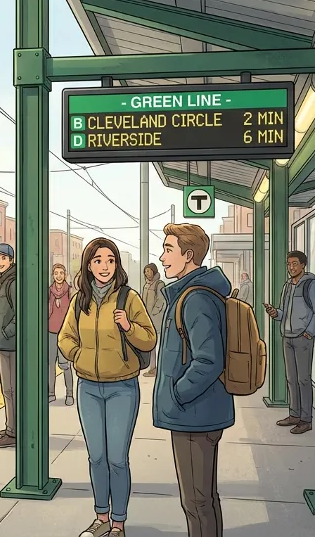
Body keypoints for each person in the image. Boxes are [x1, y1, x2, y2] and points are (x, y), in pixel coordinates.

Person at [58, 238, 156, 537]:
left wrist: (128, 326)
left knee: (117, 458)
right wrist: (79, 356)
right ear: (89, 265)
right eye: (98, 260)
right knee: (96, 457)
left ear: (117, 265)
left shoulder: (129, 298)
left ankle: (118, 523)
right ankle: (101, 517)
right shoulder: (79, 301)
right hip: (88, 387)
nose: (105, 266)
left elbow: (149, 339)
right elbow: (65, 338)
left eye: (111, 260)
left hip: (122, 388)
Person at [155, 223, 233, 537]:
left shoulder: (195, 299)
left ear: (188, 255)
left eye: (168, 249)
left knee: (196, 501)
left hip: (194, 417)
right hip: (199, 413)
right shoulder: (194, 293)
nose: (162, 257)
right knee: (204, 497)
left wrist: (177, 395)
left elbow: (209, 360)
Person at [264, 251, 315, 434]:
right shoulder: (288, 286)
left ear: (303, 265)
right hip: (287, 336)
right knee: (291, 379)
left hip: (302, 338)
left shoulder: (310, 285)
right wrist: (275, 313)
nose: (291, 267)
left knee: (303, 379)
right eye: (288, 264)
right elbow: (284, 313)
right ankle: (294, 414)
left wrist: (309, 333)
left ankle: (306, 419)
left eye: (294, 264)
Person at [0, 242, 18, 448]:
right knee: (9, 390)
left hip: (10, 345)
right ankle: (12, 425)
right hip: (4, 343)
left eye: (3, 259)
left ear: (11, 260)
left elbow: (20, 313)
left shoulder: (11, 282)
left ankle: (13, 431)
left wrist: (6, 332)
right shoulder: (3, 281)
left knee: (10, 390)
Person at [48, 263, 74, 405]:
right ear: (53, 275)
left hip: (65, 334)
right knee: (50, 364)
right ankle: (51, 393)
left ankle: (69, 394)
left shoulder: (70, 291)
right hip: (51, 332)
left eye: (61, 273)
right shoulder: (48, 291)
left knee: (65, 364)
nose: (58, 276)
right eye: (56, 273)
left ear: (65, 275)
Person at [141, 263, 166, 378]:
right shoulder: (146, 285)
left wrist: (152, 313)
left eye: (149, 271)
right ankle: (153, 368)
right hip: (147, 319)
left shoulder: (159, 285)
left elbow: (161, 301)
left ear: (154, 271)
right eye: (146, 271)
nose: (147, 273)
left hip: (156, 320)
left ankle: (158, 368)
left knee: (159, 343)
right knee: (151, 344)